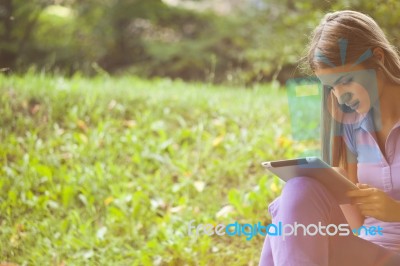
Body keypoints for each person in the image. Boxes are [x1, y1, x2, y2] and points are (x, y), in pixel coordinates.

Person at [259, 10, 400, 266]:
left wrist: (396, 212)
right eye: (332, 87)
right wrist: (337, 184)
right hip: (370, 252)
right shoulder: (351, 124)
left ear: (377, 58)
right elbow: (355, 226)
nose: (340, 97)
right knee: (299, 189)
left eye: (346, 81)